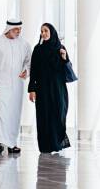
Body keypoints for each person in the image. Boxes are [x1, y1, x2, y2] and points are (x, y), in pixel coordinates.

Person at [0, 19, 32, 155]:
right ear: (9, 29)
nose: (18, 32)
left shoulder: (24, 44)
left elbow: (29, 61)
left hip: (17, 84)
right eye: (16, 29)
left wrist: (26, 71)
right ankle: (0, 142)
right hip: (0, 84)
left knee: (14, 114)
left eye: (20, 29)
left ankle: (12, 143)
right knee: (0, 112)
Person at [28, 23, 71, 153]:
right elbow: (33, 70)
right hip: (42, 89)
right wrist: (32, 89)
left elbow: (67, 71)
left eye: (46, 31)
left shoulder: (60, 48)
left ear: (52, 32)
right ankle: (45, 146)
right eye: (41, 31)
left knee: (58, 114)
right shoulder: (37, 49)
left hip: (58, 88)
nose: (43, 33)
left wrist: (64, 58)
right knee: (43, 116)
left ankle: (57, 144)